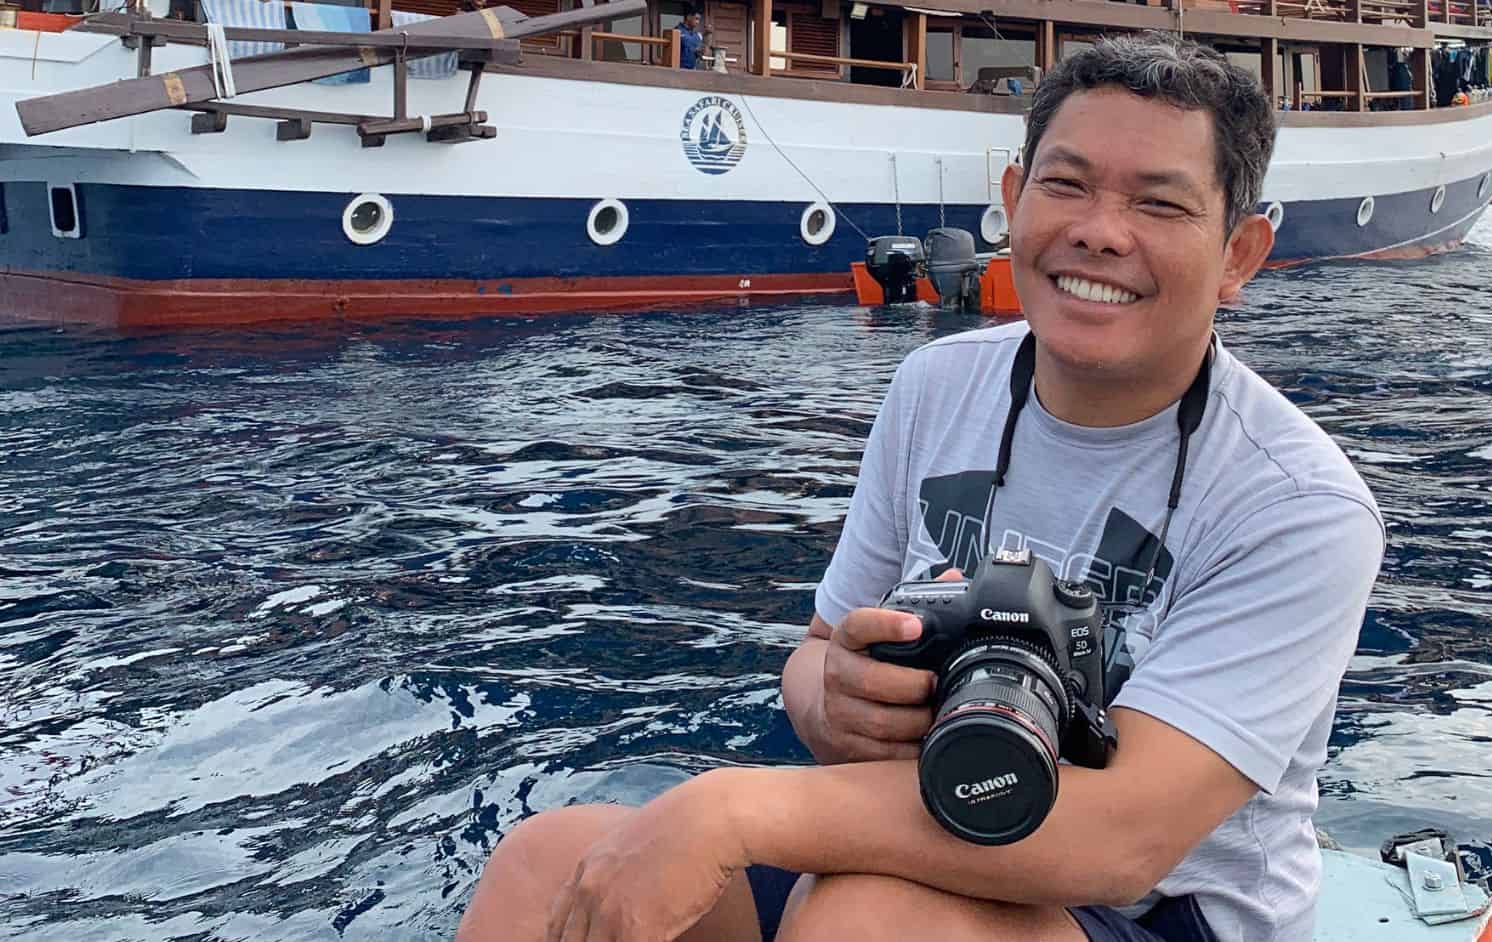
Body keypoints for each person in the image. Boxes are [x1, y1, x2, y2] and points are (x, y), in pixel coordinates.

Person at [454, 31, 1384, 942]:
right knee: (549, 862)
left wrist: (732, 812)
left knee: (873, 918)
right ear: (1014, 202)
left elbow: (1125, 841)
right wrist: (840, 696)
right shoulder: (936, 388)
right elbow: (815, 657)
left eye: (1161, 205)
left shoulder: (1298, 507)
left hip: (1160, 907)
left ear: (1239, 255)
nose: (1100, 233)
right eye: (1065, 185)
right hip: (928, 826)